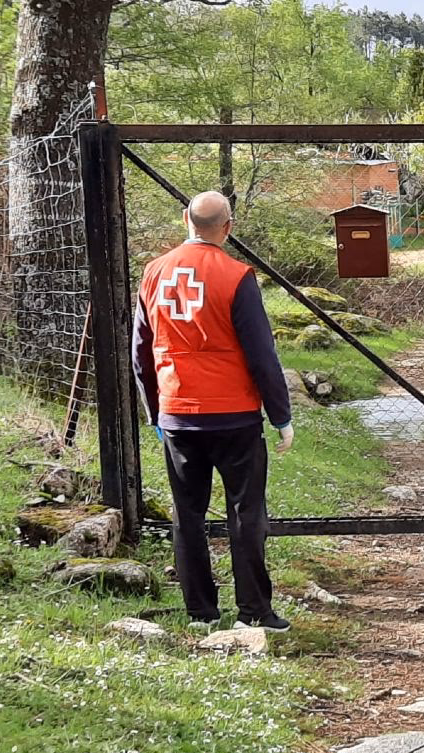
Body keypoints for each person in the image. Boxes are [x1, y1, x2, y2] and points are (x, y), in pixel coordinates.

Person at [132, 191, 295, 632]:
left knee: (187, 513)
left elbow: (140, 352)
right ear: (228, 227)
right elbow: (263, 354)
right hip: (234, 414)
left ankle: (200, 611)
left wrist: (155, 411)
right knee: (246, 512)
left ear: (185, 219)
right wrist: (281, 416)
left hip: (178, 411)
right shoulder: (237, 276)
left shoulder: (152, 272)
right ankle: (255, 610)